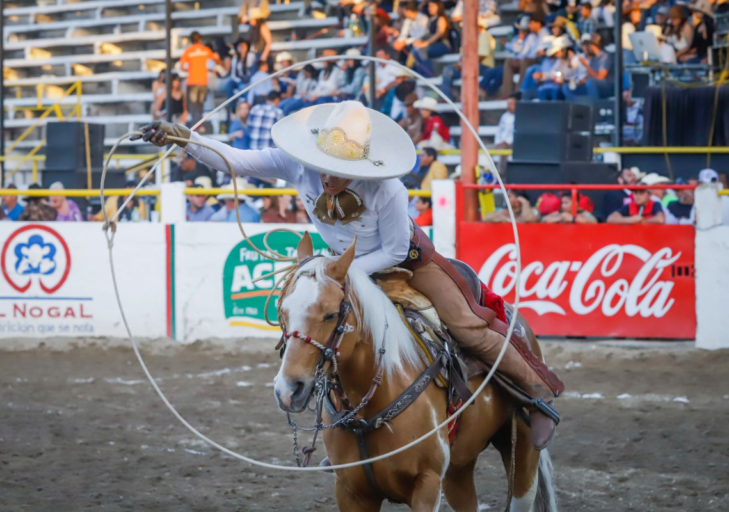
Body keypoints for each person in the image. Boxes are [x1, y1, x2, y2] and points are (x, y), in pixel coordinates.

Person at [136, 101, 564, 451]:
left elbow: (396, 249)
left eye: (338, 170)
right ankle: (344, 433)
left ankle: (536, 393)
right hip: (342, 268)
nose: (327, 176)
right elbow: (239, 160)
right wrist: (184, 138)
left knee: (466, 326)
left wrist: (342, 274)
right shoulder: (298, 165)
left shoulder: (388, 189)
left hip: (408, 265)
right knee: (326, 338)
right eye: (323, 166)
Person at [180, 32, 222, 128]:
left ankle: (196, 129)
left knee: (194, 107)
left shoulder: (188, 51)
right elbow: (217, 60)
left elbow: (182, 67)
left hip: (192, 82)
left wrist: (191, 69)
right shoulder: (206, 50)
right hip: (203, 82)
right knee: (200, 106)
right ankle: (200, 127)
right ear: (200, 39)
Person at [501, 15, 544, 97]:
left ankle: (519, 91)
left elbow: (525, 52)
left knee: (524, 62)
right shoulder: (517, 38)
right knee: (508, 62)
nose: (522, 31)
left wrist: (518, 58)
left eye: (523, 30)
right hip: (521, 59)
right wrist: (520, 40)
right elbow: (516, 48)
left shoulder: (532, 37)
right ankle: (507, 92)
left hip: (531, 60)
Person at [563, 33, 613, 100]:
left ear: (592, 45)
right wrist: (580, 81)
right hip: (591, 84)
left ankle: (594, 106)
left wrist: (586, 65)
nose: (586, 47)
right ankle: (575, 107)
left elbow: (600, 77)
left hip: (607, 85)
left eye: (587, 45)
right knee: (567, 87)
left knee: (590, 82)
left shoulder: (604, 56)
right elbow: (588, 75)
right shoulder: (593, 58)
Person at [410, 0, 453, 77]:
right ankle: (421, 74)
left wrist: (426, 43)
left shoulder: (441, 18)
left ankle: (429, 74)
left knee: (422, 51)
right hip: (433, 45)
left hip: (442, 45)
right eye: (429, 6)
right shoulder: (431, 19)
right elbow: (427, 34)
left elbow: (439, 33)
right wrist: (419, 41)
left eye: (432, 6)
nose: (430, 8)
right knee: (415, 51)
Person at [494, 92, 518, 176]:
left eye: (511, 104)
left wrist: (507, 142)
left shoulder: (520, 116)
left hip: (512, 145)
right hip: (500, 143)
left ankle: (500, 175)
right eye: (508, 104)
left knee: (503, 151)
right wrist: (498, 142)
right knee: (482, 148)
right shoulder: (504, 116)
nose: (509, 106)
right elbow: (499, 131)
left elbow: (516, 133)